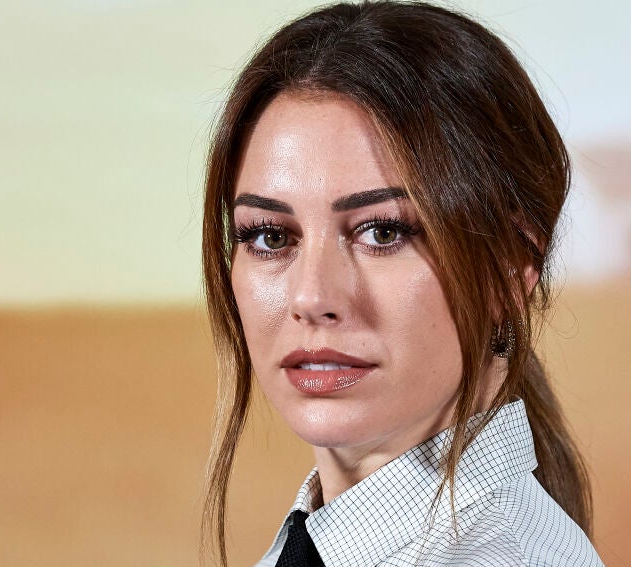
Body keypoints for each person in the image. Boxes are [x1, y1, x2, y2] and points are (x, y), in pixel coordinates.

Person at [201, 1, 604, 565]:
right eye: (270, 236)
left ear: (512, 267)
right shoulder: (319, 541)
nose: (312, 297)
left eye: (382, 232)